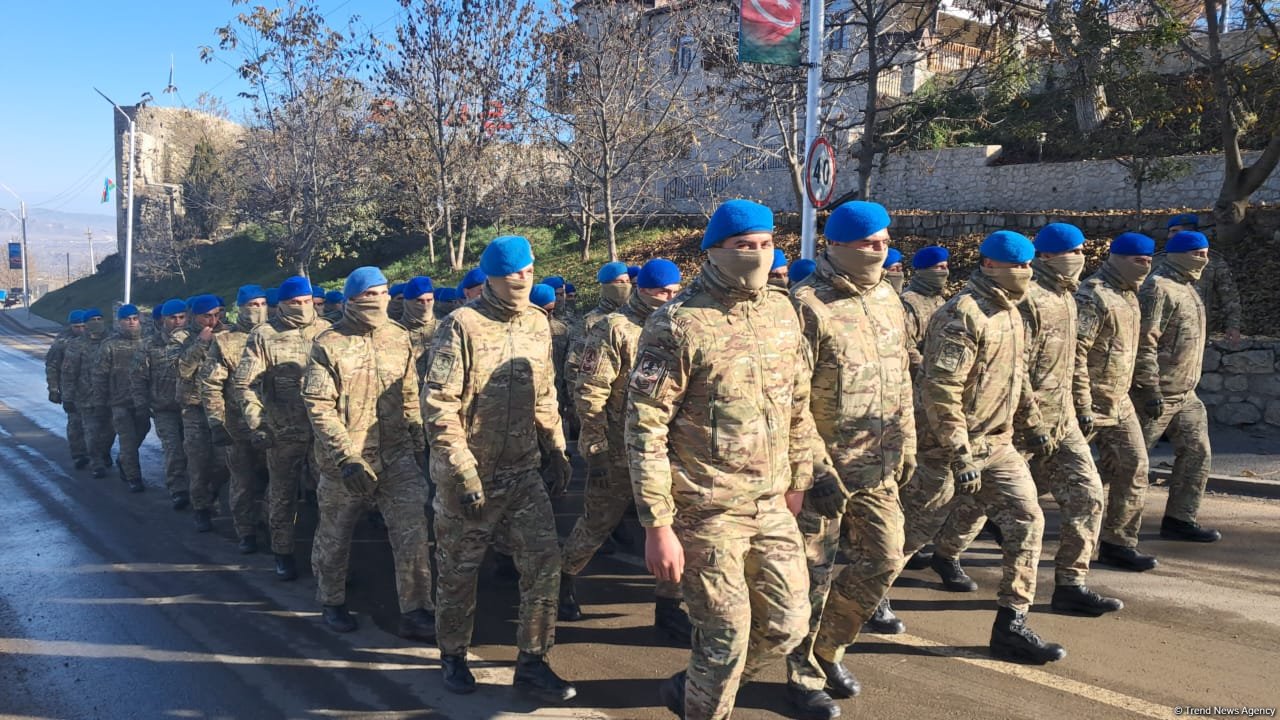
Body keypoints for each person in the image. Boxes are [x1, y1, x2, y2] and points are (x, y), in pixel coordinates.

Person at [627, 199, 815, 720]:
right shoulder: (678, 323)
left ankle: (695, 687)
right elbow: (644, 430)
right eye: (742, 247)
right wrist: (657, 524)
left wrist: (798, 476)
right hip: (706, 511)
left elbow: (797, 401)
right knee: (726, 636)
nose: (755, 255)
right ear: (714, 251)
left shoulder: (784, 312)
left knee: (787, 626)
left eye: (765, 245)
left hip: (772, 503)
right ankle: (707, 703)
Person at [928, 224, 1124, 615]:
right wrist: (1030, 421)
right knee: (977, 501)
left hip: (1061, 416)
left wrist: (1079, 404)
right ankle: (945, 551)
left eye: (1084, 249)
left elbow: (1074, 359)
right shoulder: (1021, 301)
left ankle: (1070, 582)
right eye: (1074, 250)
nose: (1081, 256)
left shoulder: (1069, 297)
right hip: (1012, 420)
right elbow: (1014, 370)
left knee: (1087, 495)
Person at [900, 230, 1067, 665]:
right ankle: (863, 601)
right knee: (909, 535)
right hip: (947, 449)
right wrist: (958, 452)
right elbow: (941, 390)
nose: (1026, 273)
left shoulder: (1011, 313)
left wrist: (1034, 424)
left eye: (1030, 265)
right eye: (1017, 266)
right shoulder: (963, 314)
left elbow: (1018, 377)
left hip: (998, 445)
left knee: (1028, 521)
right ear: (990, 266)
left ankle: (1011, 623)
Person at [422, 235, 576, 703]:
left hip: (523, 472)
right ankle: (452, 654)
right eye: (512, 272)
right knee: (458, 572)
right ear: (490, 276)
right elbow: (439, 405)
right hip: (471, 477)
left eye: (528, 270)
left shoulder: (536, 324)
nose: (521, 279)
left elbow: (544, 393)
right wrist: (461, 469)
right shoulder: (461, 326)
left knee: (545, 565)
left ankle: (533, 661)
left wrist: (556, 448)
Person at [784, 201, 915, 718]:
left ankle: (828, 647)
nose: (879, 248)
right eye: (867, 242)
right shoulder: (806, 305)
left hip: (877, 463)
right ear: (835, 245)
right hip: (824, 471)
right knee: (810, 578)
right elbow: (791, 399)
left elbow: (901, 376)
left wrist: (906, 438)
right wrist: (813, 468)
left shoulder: (888, 298)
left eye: (883, 239)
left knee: (885, 557)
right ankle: (801, 677)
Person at [558, 259, 692, 643]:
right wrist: (595, 447)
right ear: (644, 290)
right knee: (597, 522)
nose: (670, 298)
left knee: (673, 526)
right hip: (618, 448)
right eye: (663, 291)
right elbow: (589, 391)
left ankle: (670, 605)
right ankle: (564, 580)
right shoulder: (614, 328)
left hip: (664, 450)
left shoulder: (675, 326)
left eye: (675, 291)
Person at [301, 266, 436, 639]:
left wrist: (417, 443)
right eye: (371, 295)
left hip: (396, 457)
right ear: (353, 299)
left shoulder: (398, 338)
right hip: (346, 462)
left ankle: (417, 608)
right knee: (335, 534)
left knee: (412, 531)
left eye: (384, 293)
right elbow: (319, 406)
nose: (380, 300)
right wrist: (346, 458)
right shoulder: (328, 344)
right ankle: (331, 599)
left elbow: (409, 395)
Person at [234, 276, 332, 581]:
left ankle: (328, 562)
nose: (302, 308)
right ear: (283, 304)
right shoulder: (264, 336)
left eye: (306, 301)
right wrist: (257, 423)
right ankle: (283, 552)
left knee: (330, 498)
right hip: (282, 430)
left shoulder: (327, 331)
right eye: (294, 303)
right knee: (283, 494)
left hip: (322, 431)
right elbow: (245, 384)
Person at [1077, 232, 1161, 571]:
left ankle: (1118, 543)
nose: (1146, 265)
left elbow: (1138, 348)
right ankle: (990, 513)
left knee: (1135, 466)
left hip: (1119, 400)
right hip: (1089, 400)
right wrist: (1082, 401)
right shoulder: (1093, 295)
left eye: (1150, 260)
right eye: (1139, 260)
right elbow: (1076, 352)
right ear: (1118, 258)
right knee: (1046, 470)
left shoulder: (1130, 295)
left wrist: (1148, 387)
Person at [1136, 230, 1220, 542]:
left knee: (1197, 454)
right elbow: (1144, 341)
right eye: (1198, 253)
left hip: (1186, 394)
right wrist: (1149, 387)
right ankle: (1018, 507)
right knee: (1125, 463)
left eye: (1206, 252)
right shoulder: (1158, 288)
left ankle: (1179, 519)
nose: (1204, 258)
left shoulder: (1188, 288)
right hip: (1157, 392)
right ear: (1179, 253)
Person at [203, 285, 271, 553]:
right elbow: (211, 385)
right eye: (253, 305)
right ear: (240, 308)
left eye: (264, 303)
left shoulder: (277, 336)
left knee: (276, 483)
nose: (259, 310)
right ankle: (246, 530)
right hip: (237, 426)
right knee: (242, 482)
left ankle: (270, 525)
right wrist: (216, 421)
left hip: (271, 425)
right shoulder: (225, 341)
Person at [132, 298, 192, 508]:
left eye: (181, 317)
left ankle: (199, 489)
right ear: (163, 320)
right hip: (164, 408)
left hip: (191, 408)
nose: (177, 322)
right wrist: (141, 405)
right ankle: (178, 490)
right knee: (173, 449)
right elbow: (139, 378)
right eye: (172, 318)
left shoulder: (195, 341)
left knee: (193, 451)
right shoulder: (149, 345)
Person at [181, 295, 231, 532]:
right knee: (199, 462)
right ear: (195, 317)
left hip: (221, 408)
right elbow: (182, 369)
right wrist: (201, 343)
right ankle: (200, 508)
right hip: (194, 408)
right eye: (206, 316)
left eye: (216, 314)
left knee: (223, 462)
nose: (213, 320)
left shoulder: (227, 334)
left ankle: (210, 494)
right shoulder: (182, 337)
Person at [95, 304, 147, 492]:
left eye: (134, 318)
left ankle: (124, 460)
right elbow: (100, 375)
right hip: (119, 402)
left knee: (141, 431)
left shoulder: (147, 341)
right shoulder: (110, 345)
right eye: (127, 319)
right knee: (127, 439)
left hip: (142, 402)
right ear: (120, 322)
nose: (132, 322)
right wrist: (100, 402)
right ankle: (134, 477)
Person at [1167, 213, 1241, 343]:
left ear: (1189, 232)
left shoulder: (1214, 262)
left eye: (1174, 231)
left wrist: (1233, 325)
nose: (1169, 236)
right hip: (1164, 332)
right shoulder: (1159, 260)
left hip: (1198, 332)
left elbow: (1229, 296)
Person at [63, 308, 115, 479]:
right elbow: (69, 373)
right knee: (91, 432)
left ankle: (103, 452)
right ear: (86, 324)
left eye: (100, 318)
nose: (97, 322)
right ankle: (96, 462)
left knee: (109, 431)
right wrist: (68, 397)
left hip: (110, 397)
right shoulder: (77, 345)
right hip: (86, 397)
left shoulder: (111, 341)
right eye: (93, 319)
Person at [900, 246, 950, 380]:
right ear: (923, 271)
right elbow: (906, 347)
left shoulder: (940, 300)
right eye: (939, 267)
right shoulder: (908, 302)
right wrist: (929, 374)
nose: (945, 271)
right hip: (922, 379)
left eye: (946, 266)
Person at [47, 309, 89, 468]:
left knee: (100, 424)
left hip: (92, 389)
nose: (81, 330)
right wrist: (54, 389)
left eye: (84, 326)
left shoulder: (94, 339)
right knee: (76, 423)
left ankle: (98, 452)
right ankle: (79, 454)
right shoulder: (61, 343)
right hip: (71, 389)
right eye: (77, 327)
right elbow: (52, 367)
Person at [400, 276, 437, 382]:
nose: (425, 305)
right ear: (407, 302)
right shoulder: (395, 333)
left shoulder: (445, 329)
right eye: (419, 301)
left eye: (429, 300)